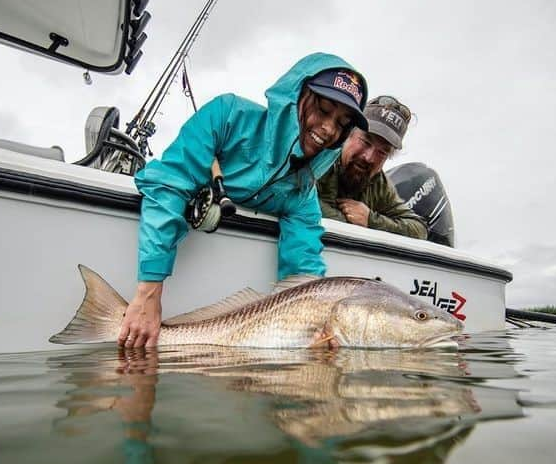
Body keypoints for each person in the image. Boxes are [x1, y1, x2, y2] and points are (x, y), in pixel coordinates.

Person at [118, 52, 369, 348]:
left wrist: (316, 328)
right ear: (295, 97)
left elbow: (304, 269)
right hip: (159, 289)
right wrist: (148, 292)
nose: (328, 129)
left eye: (341, 124)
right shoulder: (226, 116)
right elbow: (167, 185)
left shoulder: (303, 192)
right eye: (323, 109)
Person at [317, 95, 427, 240]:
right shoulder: (319, 157)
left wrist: (371, 220)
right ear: (348, 133)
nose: (369, 157)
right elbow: (293, 196)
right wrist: (347, 222)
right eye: (365, 142)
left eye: (382, 152)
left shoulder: (379, 184)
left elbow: (419, 230)